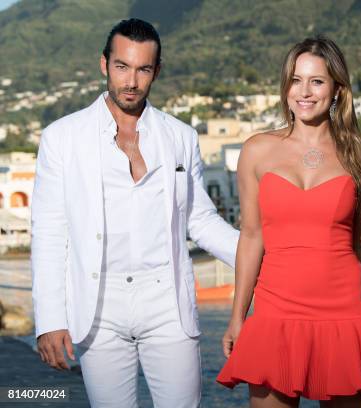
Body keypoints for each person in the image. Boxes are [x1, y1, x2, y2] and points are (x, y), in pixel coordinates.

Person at [31, 18, 239, 407]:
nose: (131, 81)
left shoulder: (181, 137)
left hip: (168, 305)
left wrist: (263, 255)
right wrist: (50, 320)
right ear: (104, 65)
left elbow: (200, 219)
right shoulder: (62, 137)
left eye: (143, 69)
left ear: (156, 71)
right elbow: (49, 231)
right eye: (122, 67)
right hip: (98, 309)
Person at [216, 37, 361, 407]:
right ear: (285, 87)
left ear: (337, 88)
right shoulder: (257, 150)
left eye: (317, 81)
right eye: (295, 80)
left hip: (345, 313)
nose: (304, 92)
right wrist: (238, 316)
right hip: (276, 313)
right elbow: (252, 236)